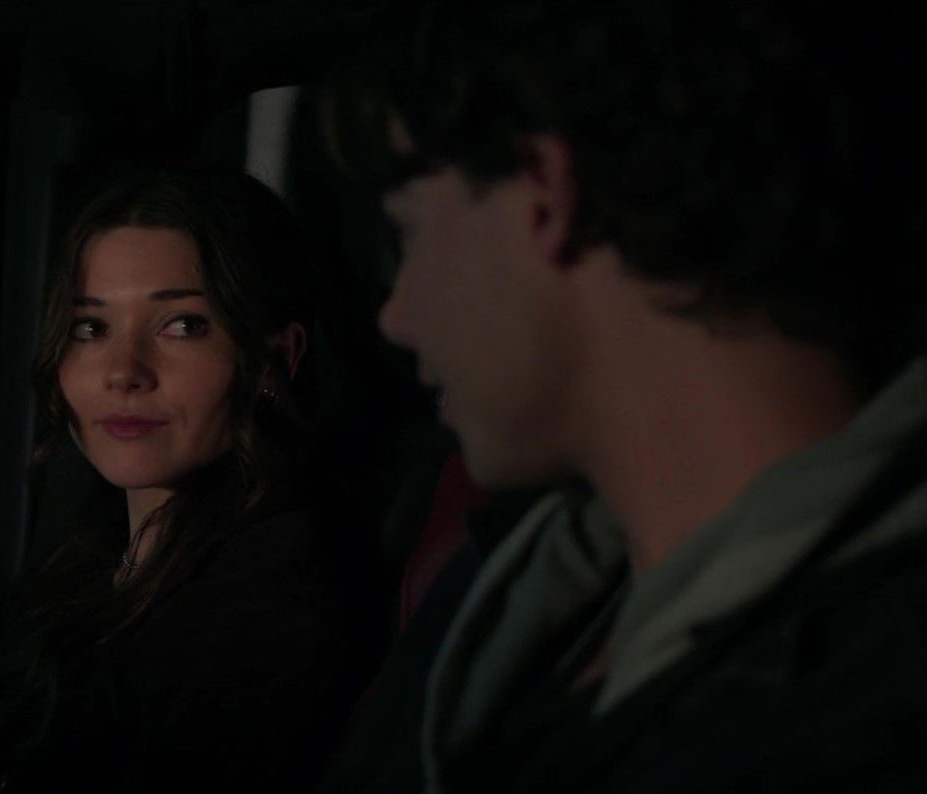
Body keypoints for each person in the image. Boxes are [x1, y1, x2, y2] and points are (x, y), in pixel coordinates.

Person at [322, 0, 927, 790]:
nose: (396, 316)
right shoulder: (513, 590)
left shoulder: (862, 719)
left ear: (544, 193)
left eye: (407, 231)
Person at [0, 167, 372, 791]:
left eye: (182, 325)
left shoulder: (272, 609)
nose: (124, 372)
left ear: (273, 357)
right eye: (91, 327)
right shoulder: (88, 548)